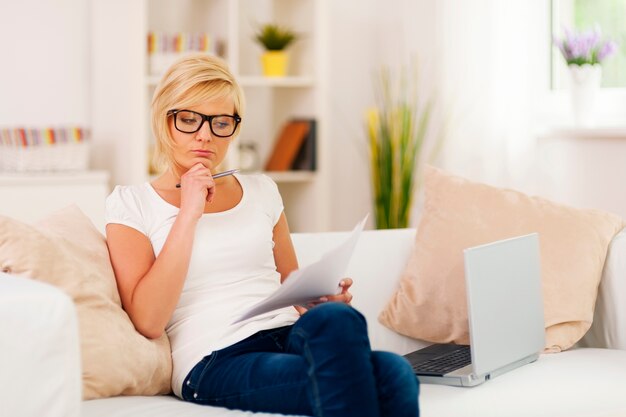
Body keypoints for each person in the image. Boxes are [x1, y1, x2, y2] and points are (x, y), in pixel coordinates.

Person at [105, 53, 419, 417]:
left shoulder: (263, 190)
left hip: (287, 334)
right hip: (215, 356)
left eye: (220, 122)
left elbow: (293, 288)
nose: (205, 135)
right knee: (392, 378)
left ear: (234, 127)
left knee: (350, 330)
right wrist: (189, 213)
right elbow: (148, 320)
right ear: (165, 122)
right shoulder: (131, 203)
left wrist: (319, 300)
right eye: (189, 120)